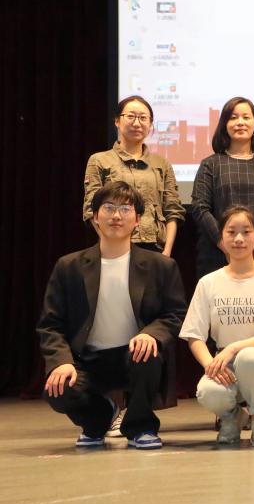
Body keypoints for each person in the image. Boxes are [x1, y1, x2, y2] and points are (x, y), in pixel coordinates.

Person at [38, 181, 186, 449]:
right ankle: (99, 419)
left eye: (125, 209)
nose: (116, 215)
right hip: (89, 360)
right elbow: (51, 324)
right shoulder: (69, 266)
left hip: (135, 356)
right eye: (108, 208)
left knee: (149, 352)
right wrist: (61, 361)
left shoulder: (160, 266)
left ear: (137, 220)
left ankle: (141, 426)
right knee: (58, 388)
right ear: (95, 216)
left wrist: (152, 334)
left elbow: (175, 314)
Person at [180, 206, 254, 446]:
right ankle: (232, 417)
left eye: (246, 232)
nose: (238, 238)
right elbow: (194, 335)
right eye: (231, 232)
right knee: (207, 392)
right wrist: (210, 365)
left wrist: (234, 348)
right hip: (225, 364)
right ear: (221, 238)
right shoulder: (208, 282)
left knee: (249, 357)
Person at [191, 97, 254, 279]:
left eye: (246, 117)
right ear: (224, 125)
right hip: (216, 255)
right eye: (233, 117)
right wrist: (224, 243)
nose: (240, 122)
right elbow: (200, 207)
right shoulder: (210, 165)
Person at [83, 95, 185, 255]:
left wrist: (167, 252)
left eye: (143, 118)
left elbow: (172, 210)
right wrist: (110, 243)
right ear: (117, 121)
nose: (137, 123)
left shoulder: (162, 164)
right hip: (113, 247)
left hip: (154, 248)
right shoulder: (99, 160)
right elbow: (91, 208)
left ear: (150, 124)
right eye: (130, 116)